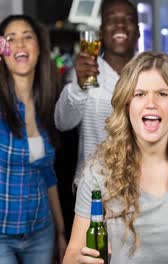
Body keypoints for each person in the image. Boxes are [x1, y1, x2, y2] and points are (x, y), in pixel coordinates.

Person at [63, 51, 168, 264]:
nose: (151, 103)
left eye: (162, 93)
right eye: (139, 94)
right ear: (126, 105)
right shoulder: (99, 171)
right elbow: (72, 255)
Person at [0, 15, 66, 263]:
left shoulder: (48, 104)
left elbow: (48, 175)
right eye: (11, 39)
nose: (20, 45)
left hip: (41, 232)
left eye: (28, 37)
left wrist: (60, 232)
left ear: (39, 49)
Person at [55, 0, 140, 186]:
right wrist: (79, 85)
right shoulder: (83, 73)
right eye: (112, 19)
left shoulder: (149, 74)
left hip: (140, 188)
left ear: (138, 31)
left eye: (128, 19)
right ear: (101, 32)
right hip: (93, 190)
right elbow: (62, 122)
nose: (120, 25)